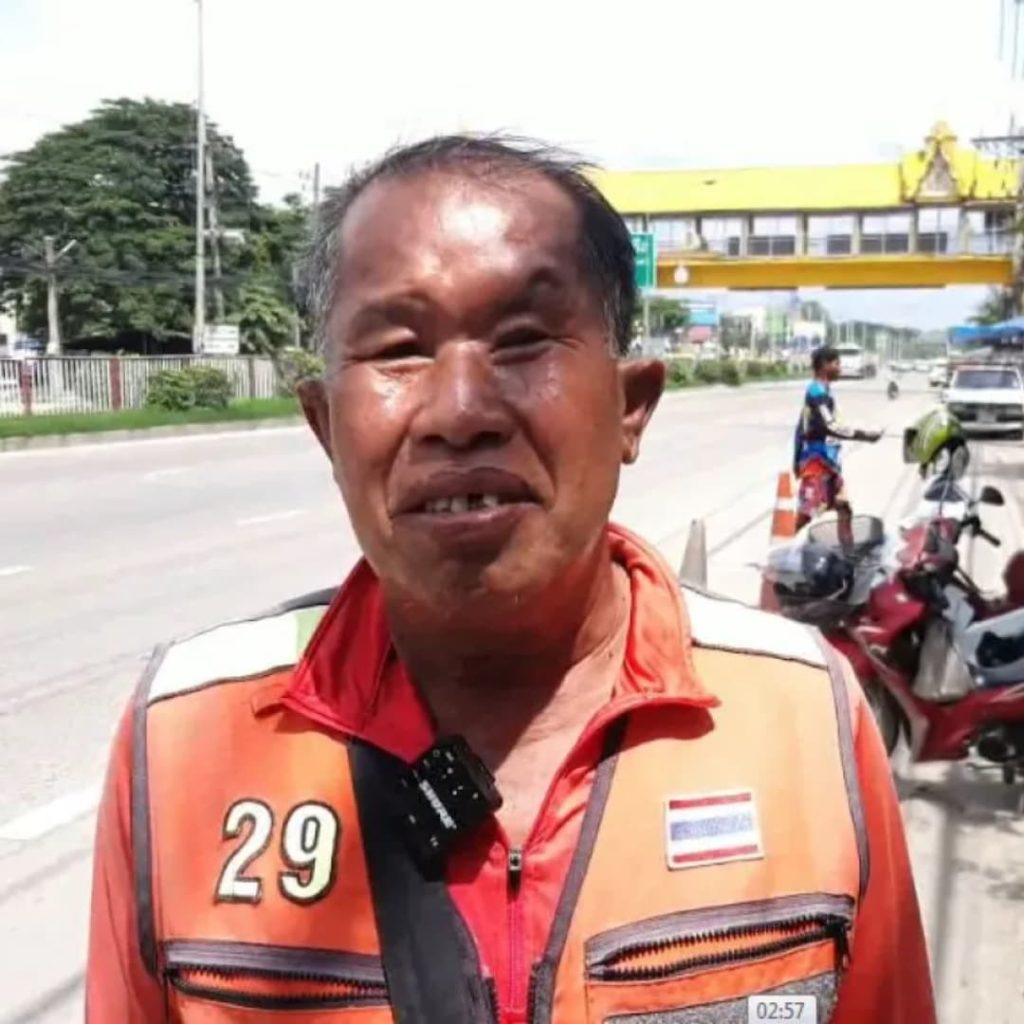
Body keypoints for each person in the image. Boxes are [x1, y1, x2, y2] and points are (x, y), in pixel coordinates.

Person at [87, 136, 935, 1023]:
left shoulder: (802, 712)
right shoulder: (182, 735)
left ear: (631, 407)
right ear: (324, 424)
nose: (460, 412)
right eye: (400, 348)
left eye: (524, 340)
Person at [794, 345, 882, 536]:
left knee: (844, 509)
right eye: (837, 363)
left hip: (829, 462)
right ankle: (789, 553)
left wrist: (795, 457)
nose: (840, 368)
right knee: (808, 513)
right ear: (825, 365)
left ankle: (847, 556)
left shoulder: (823, 392)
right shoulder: (817, 393)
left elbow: (800, 427)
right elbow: (830, 426)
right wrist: (865, 436)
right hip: (817, 462)